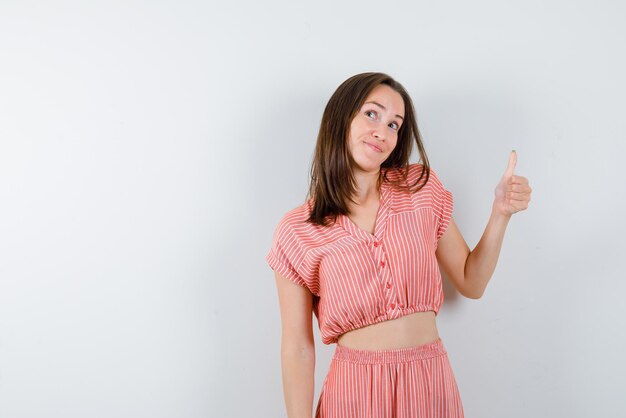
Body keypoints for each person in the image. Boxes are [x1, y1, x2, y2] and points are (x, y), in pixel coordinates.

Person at [266, 72, 532, 418]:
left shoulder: (419, 189)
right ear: (341, 118)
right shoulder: (298, 229)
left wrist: (501, 213)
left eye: (395, 124)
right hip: (354, 392)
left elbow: (472, 280)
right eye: (372, 114)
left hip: (430, 382)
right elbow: (298, 348)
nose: (382, 131)